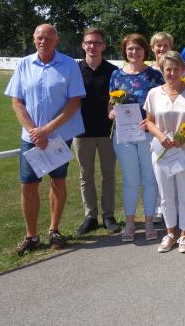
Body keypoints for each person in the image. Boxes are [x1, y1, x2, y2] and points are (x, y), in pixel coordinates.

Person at [5, 24, 85, 256]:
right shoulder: (23, 64)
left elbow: (74, 103)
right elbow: (17, 101)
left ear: (56, 40)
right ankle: (31, 235)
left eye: (48, 38)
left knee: (58, 182)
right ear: (34, 39)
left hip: (59, 136)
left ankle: (54, 230)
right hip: (32, 138)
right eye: (40, 37)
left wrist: (47, 130)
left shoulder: (69, 65)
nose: (44, 41)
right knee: (28, 185)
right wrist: (34, 131)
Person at [143, 51, 185, 253]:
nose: (172, 73)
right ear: (162, 70)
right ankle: (170, 233)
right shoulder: (154, 93)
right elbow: (149, 121)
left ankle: (184, 234)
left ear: (182, 70)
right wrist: (160, 136)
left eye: (176, 69)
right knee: (165, 195)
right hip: (161, 151)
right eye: (168, 69)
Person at [108, 34, 164, 242]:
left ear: (144, 51)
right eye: (130, 49)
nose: (134, 52)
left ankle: (149, 221)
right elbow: (110, 103)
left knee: (149, 180)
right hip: (124, 136)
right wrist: (111, 112)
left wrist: (151, 121)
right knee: (130, 181)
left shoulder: (155, 76)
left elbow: (161, 106)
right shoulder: (116, 76)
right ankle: (130, 223)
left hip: (148, 134)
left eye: (138, 49)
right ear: (125, 51)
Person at [74, 28, 120, 235]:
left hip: (107, 132)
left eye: (96, 43)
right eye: (88, 42)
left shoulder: (113, 71)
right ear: (83, 45)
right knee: (86, 176)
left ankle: (108, 215)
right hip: (81, 132)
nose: (92, 46)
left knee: (108, 175)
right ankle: (90, 216)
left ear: (103, 46)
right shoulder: (74, 70)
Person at [148, 31, 173, 225]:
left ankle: (174, 208)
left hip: (172, 130)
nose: (162, 49)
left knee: (173, 168)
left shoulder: (176, 68)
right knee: (155, 170)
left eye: (165, 45)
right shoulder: (148, 71)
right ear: (153, 48)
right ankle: (158, 206)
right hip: (151, 128)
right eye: (158, 45)